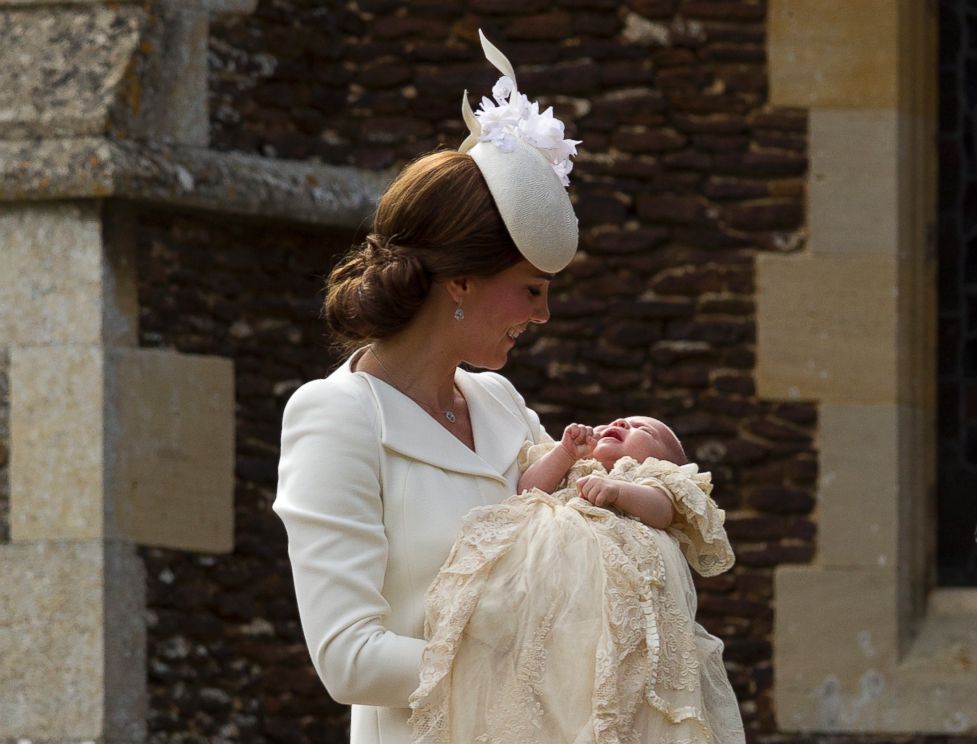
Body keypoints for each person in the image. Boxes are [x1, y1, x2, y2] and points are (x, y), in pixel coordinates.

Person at [273, 31, 580, 743]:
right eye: (530, 291)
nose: (542, 314)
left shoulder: (502, 404)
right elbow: (348, 659)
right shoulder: (336, 417)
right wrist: (531, 663)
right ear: (463, 282)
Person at [408, 417, 746, 744]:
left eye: (645, 429)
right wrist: (564, 454)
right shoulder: (573, 467)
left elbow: (661, 510)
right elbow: (526, 489)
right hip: (542, 585)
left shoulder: (650, 477)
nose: (623, 424)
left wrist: (617, 491)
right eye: (616, 421)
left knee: (605, 673)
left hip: (605, 596)